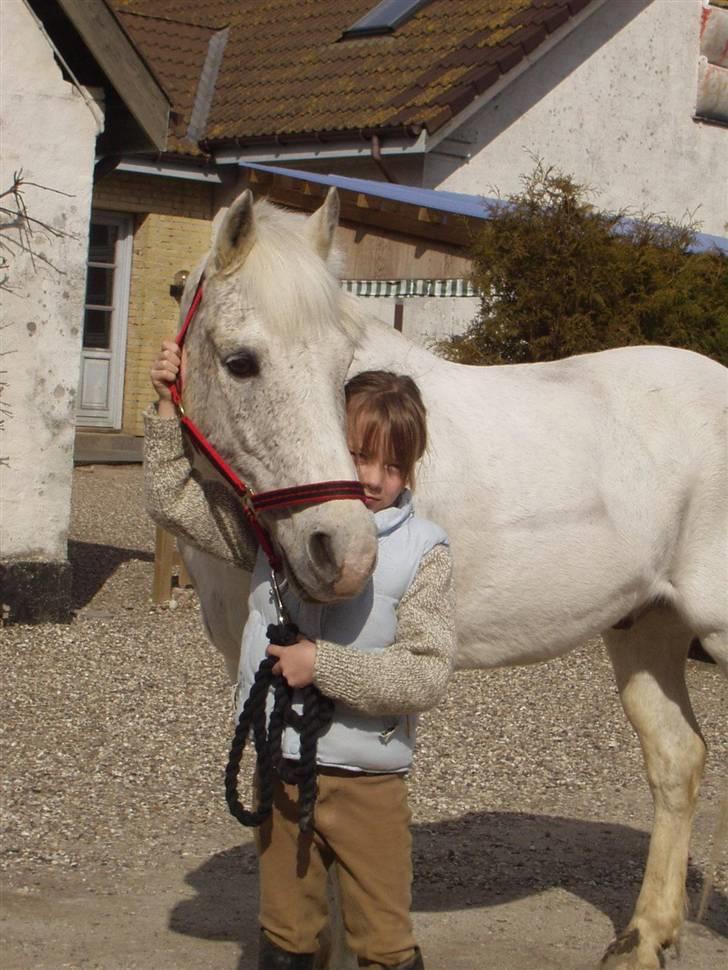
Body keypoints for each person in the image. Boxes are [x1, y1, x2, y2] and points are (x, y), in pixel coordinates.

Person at [145, 342, 456, 970]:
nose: (373, 478)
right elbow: (171, 499)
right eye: (359, 455)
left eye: (393, 466)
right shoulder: (276, 534)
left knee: (385, 943)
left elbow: (426, 673)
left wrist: (324, 666)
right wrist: (164, 407)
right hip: (282, 773)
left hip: (370, 786)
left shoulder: (424, 552)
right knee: (286, 936)